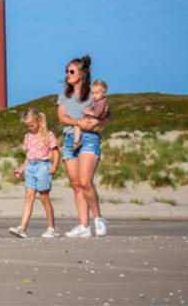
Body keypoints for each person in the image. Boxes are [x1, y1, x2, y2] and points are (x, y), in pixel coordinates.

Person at [57, 55, 110, 238]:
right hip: (70, 140)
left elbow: (106, 114)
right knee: (77, 185)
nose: (68, 75)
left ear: (81, 74)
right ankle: (83, 225)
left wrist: (98, 124)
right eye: (66, 72)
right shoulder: (65, 95)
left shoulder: (92, 94)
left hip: (89, 139)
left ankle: (98, 219)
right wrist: (78, 122)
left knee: (86, 182)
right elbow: (62, 118)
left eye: (71, 71)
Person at [8, 108, 60, 239]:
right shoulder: (28, 136)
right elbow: (28, 156)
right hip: (30, 167)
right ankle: (22, 228)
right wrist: (21, 169)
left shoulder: (48, 134)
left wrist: (54, 165)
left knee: (44, 197)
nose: (29, 128)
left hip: (43, 167)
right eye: (27, 126)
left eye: (31, 125)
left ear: (39, 120)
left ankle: (51, 228)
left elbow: (56, 152)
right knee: (29, 197)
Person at [72, 79, 110, 152]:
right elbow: (91, 106)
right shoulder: (96, 100)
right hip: (93, 121)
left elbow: (97, 113)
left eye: (96, 93)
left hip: (93, 120)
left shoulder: (102, 102)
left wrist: (87, 112)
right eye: (92, 93)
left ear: (104, 93)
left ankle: (76, 142)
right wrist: (87, 110)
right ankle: (97, 137)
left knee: (77, 126)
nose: (94, 95)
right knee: (81, 126)